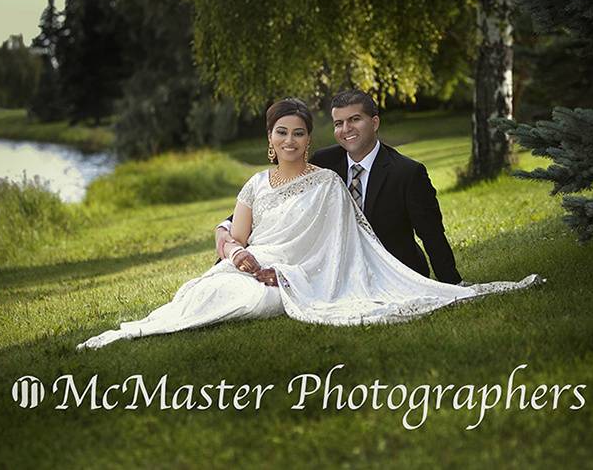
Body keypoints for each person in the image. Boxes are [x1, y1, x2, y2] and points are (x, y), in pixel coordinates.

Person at [77, 99, 542, 350]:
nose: (292, 141)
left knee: (246, 298)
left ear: (372, 123)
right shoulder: (269, 179)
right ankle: (146, 327)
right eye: (283, 132)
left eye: (300, 133)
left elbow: (418, 236)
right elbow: (240, 227)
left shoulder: (345, 178)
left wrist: (451, 283)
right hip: (252, 261)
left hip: (333, 268)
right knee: (204, 290)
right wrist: (234, 249)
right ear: (270, 138)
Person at [216, 88, 462, 283]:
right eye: (338, 123)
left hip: (390, 265)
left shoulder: (407, 173)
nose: (346, 130)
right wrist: (226, 227)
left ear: (374, 122)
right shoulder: (324, 161)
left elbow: (431, 234)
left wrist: (451, 281)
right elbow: (279, 197)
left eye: (355, 120)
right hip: (331, 265)